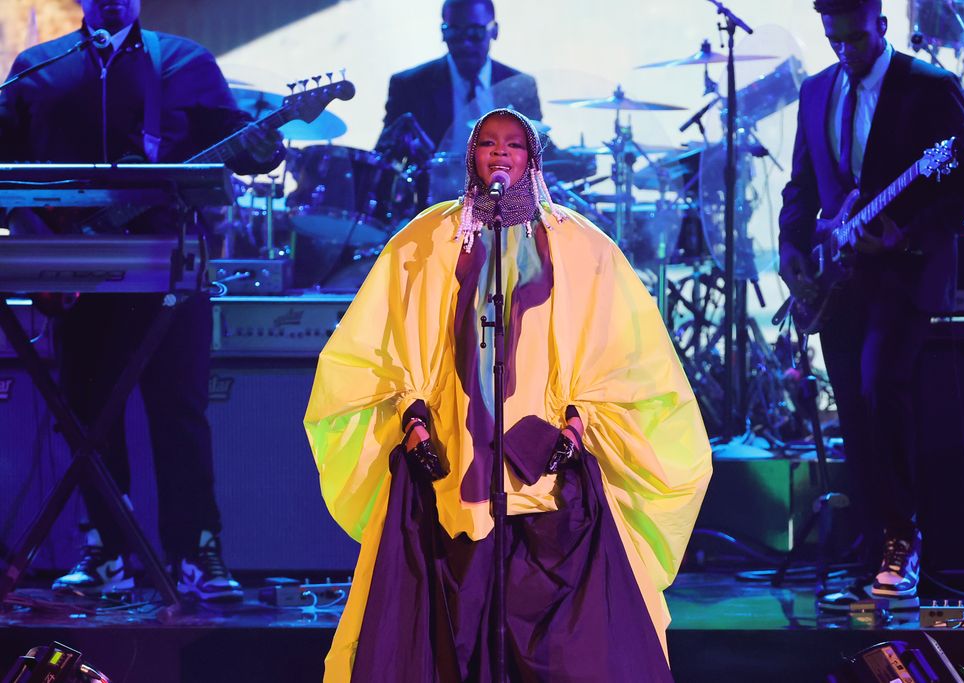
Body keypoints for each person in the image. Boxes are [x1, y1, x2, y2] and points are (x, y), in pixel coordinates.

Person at [305, 108, 712, 682]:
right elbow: (380, 344)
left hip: (547, 476)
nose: (501, 154)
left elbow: (625, 356)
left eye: (514, 145)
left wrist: (578, 425)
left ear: (532, 158)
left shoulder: (579, 245)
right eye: (489, 144)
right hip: (455, 472)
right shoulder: (426, 240)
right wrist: (412, 415)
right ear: (472, 155)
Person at [0, 0, 284, 601]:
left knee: (180, 413)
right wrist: (34, 240)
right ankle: (108, 554)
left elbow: (236, 146)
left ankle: (197, 554)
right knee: (85, 418)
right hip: (74, 272)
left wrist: (263, 148)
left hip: (170, 266)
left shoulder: (183, 61)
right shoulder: (35, 68)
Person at [778, 0, 964, 610]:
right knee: (853, 409)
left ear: (882, 26)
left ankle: (904, 537)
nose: (846, 51)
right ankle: (872, 548)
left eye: (857, 38)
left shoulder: (930, 87)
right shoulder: (816, 91)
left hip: (902, 276)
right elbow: (801, 188)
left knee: (878, 388)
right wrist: (792, 250)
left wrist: (905, 233)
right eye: (833, 39)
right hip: (838, 279)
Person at [377, 0, 542, 156]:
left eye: (475, 32)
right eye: (455, 33)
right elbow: (385, 153)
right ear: (443, 33)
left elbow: (539, 148)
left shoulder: (520, 86)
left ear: (494, 31)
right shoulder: (410, 86)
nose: (465, 43)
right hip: (432, 184)